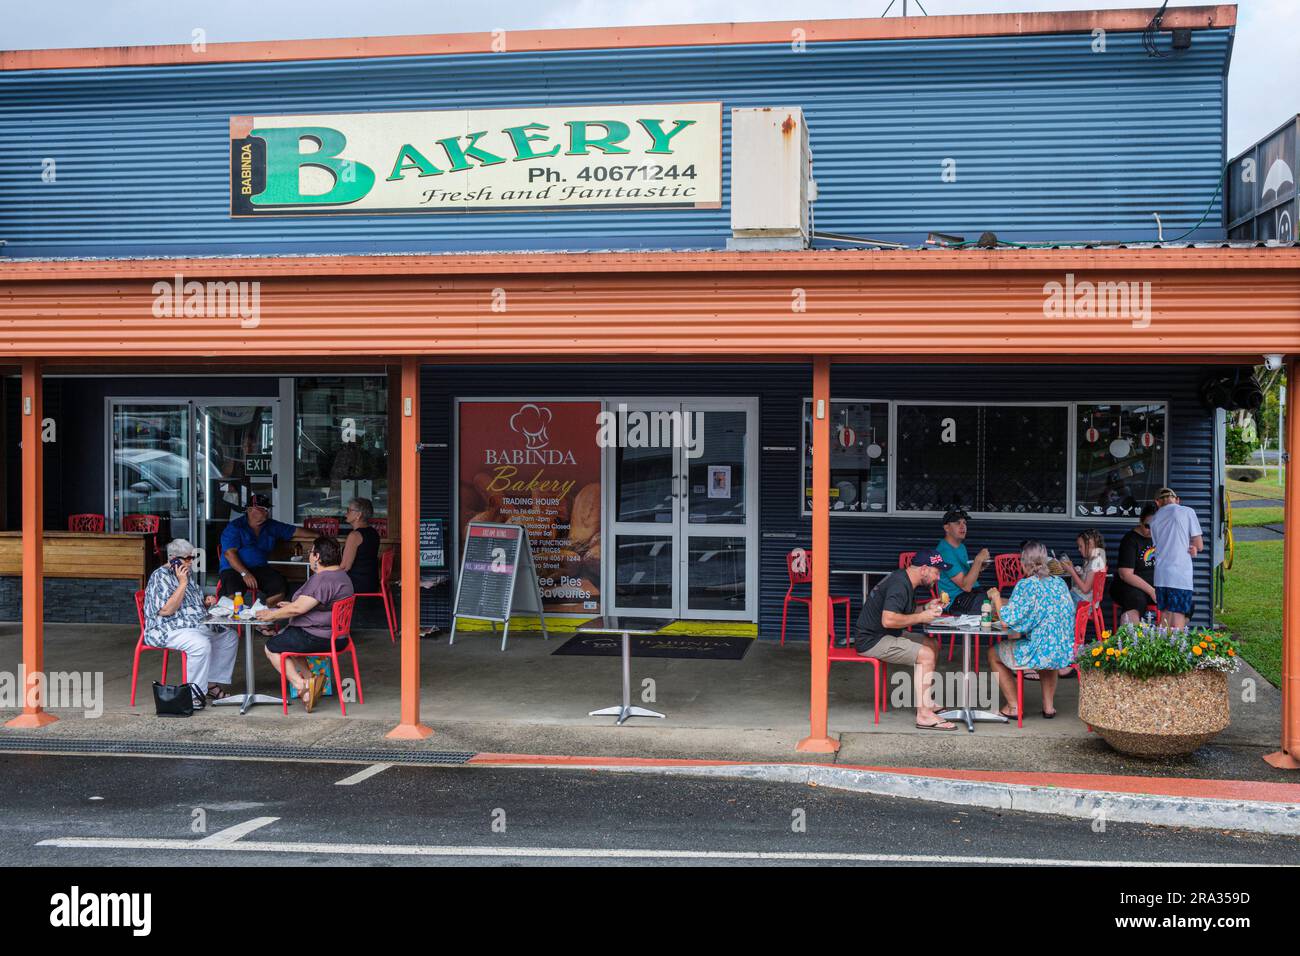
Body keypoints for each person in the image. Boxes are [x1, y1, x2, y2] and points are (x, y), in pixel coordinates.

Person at [855, 550, 954, 731]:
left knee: (932, 644)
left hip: (887, 634)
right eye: (936, 572)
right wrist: (922, 617)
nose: (939, 577)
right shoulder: (900, 584)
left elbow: (903, 612)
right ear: (924, 569)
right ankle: (924, 715)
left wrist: (926, 607)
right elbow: (889, 620)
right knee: (926, 655)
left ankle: (927, 702)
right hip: (873, 640)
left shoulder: (905, 580)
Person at [255, 536, 355, 711]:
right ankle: (311, 678)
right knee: (287, 637)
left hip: (318, 637)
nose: (309, 555)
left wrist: (271, 615)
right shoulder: (341, 576)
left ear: (317, 556)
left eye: (311, 552)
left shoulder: (323, 579)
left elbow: (299, 609)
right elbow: (316, 603)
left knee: (272, 647)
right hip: (339, 637)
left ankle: (301, 686)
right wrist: (292, 605)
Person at [985, 540, 1077, 719]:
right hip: (1062, 651)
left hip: (1040, 651)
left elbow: (1007, 622)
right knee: (1047, 651)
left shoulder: (1026, 585)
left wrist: (996, 597)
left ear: (1024, 562)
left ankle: (1014, 707)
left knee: (993, 654)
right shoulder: (1059, 582)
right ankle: (1048, 707)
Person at [142, 538, 238, 705]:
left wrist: (205, 602)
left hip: (194, 623)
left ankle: (211, 683)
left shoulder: (186, 574)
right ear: (174, 559)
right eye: (188, 558)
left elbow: (192, 603)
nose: (191, 561)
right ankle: (194, 696)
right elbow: (167, 610)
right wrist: (183, 583)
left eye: (192, 557)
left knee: (229, 636)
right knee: (200, 644)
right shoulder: (160, 576)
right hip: (167, 627)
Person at [218, 492, 314, 605]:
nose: (267, 512)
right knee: (232, 593)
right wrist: (245, 574)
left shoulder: (271, 525)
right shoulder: (235, 527)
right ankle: (228, 616)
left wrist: (321, 536)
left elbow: (295, 531)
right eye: (263, 509)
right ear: (250, 510)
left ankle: (267, 614)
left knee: (279, 586)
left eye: (267, 509)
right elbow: (229, 554)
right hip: (234, 569)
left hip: (259, 568)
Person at [1148, 487, 1203, 629]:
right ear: (1177, 500)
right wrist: (1193, 548)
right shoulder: (1187, 511)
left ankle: (1160, 642)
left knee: (1165, 614)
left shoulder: (1154, 520)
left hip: (1161, 575)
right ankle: (1177, 643)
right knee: (1178, 614)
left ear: (1158, 502)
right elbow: (1199, 545)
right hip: (1180, 574)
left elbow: (1161, 545)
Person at [935, 509, 990, 614]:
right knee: (1002, 605)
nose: (962, 526)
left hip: (971, 594)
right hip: (955, 601)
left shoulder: (961, 547)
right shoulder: (944, 552)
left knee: (1002, 600)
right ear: (946, 528)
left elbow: (967, 578)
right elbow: (966, 586)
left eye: (964, 523)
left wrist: (978, 567)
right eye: (957, 523)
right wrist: (978, 560)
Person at [1112, 504, 1158, 625]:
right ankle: (1131, 636)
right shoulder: (1130, 540)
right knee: (1136, 600)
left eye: (1156, 526)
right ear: (1140, 521)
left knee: (1183, 603)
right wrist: (1151, 591)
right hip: (1130, 586)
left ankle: (1170, 635)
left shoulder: (1160, 537)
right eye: (1148, 526)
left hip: (1153, 588)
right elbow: (1125, 574)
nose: (1152, 531)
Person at [340, 497, 382, 594]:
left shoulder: (354, 536)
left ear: (358, 515)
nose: (346, 513)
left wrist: (324, 572)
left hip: (357, 585)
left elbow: (345, 567)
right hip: (371, 583)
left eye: (349, 510)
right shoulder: (374, 532)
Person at [1062, 528, 1107, 603]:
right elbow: (1084, 581)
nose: (1079, 549)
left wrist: (1072, 572)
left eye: (1081, 546)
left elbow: (1085, 589)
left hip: (1082, 600)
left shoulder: (1095, 562)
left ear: (1090, 544)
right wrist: (1073, 569)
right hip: (1081, 596)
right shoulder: (1092, 559)